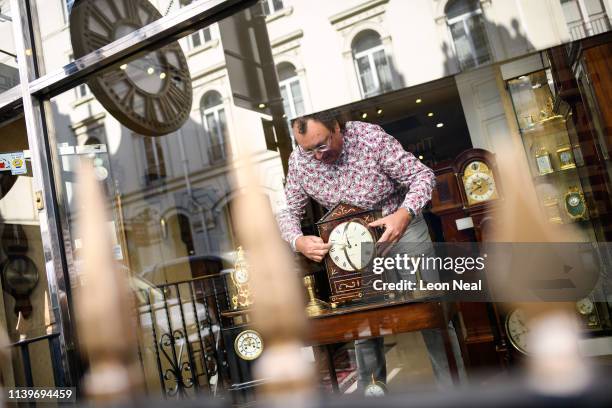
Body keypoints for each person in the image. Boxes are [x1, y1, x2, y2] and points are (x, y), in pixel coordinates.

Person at [275, 111, 465, 390]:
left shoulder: (368, 137)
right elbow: (289, 211)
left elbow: (422, 177)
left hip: (402, 230)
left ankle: (455, 395)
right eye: (308, 150)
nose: (316, 156)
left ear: (337, 129)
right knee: (363, 328)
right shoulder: (300, 161)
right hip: (352, 247)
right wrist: (298, 241)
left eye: (322, 146)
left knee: (430, 315)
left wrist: (404, 214)